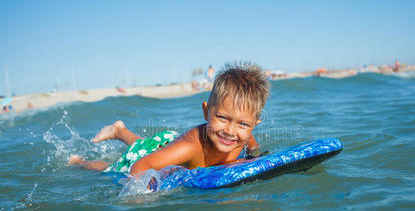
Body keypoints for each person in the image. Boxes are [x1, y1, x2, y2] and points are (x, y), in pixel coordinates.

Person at [69, 62, 270, 178]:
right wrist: (151, 188)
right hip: (169, 149)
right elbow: (138, 167)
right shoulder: (191, 147)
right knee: (112, 169)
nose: (231, 131)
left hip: (165, 147)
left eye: (243, 124)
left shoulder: (242, 137)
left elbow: (250, 144)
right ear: (206, 112)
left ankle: (119, 131)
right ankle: (80, 161)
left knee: (146, 148)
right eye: (223, 118)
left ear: (253, 125)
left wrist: (254, 156)